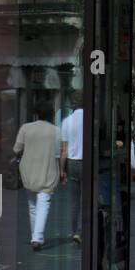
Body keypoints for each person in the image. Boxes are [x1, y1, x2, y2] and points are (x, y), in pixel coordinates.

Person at [14, 100, 61, 251]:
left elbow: (16, 149)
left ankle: (36, 236)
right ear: (51, 115)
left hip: (28, 170)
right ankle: (37, 237)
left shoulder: (25, 128)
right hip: (48, 169)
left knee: (32, 205)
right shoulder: (56, 131)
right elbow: (58, 153)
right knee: (44, 202)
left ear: (36, 113)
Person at [59, 104, 83, 244]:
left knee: (75, 200)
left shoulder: (67, 121)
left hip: (72, 163)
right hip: (87, 162)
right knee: (87, 200)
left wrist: (62, 170)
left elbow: (64, 150)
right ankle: (81, 230)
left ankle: (75, 231)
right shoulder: (91, 119)